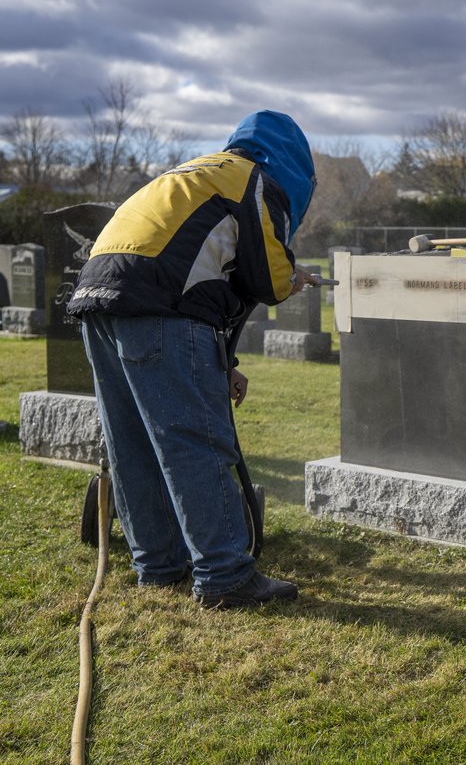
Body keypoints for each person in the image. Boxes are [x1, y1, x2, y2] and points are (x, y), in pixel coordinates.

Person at [68, 110, 318, 609]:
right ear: (291, 164)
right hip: (159, 306)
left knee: (132, 441)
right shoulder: (254, 181)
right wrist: (296, 276)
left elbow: (207, 273)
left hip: (98, 301)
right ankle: (224, 574)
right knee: (194, 439)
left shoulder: (196, 172)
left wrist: (224, 362)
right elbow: (266, 280)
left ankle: (158, 566)